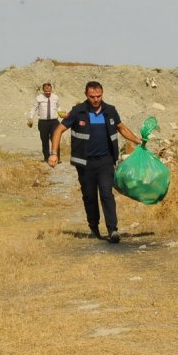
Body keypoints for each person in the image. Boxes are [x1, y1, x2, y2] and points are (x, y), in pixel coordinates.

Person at [47, 81, 142, 244]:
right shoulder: (78, 111)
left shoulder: (110, 111)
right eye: (92, 97)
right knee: (89, 196)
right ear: (86, 95)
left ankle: (113, 230)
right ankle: (94, 226)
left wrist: (138, 140)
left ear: (102, 94)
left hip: (106, 161)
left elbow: (121, 128)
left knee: (106, 194)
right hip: (84, 163)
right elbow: (58, 130)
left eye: (99, 96)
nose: (96, 100)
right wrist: (54, 154)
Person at [27, 82, 62, 162]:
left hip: (54, 122)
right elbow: (34, 108)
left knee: (55, 139)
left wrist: (62, 114)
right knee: (44, 140)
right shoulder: (39, 98)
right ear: (43, 90)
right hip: (43, 123)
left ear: (51, 89)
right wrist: (30, 117)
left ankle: (57, 158)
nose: (48, 93)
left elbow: (58, 107)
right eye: (46, 91)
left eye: (49, 91)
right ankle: (47, 158)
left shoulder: (55, 97)